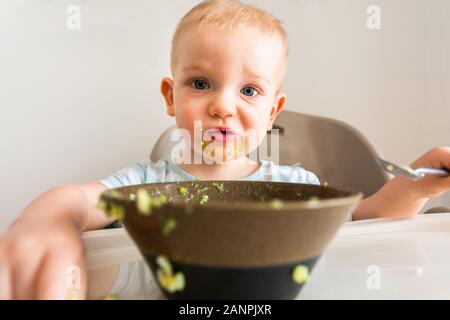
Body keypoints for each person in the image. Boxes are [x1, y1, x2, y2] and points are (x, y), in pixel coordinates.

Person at [0, 0, 448, 300]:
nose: (222, 105)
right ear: (171, 96)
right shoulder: (145, 184)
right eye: (200, 84)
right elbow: (80, 201)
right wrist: (47, 221)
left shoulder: (293, 186)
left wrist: (417, 186)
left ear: (274, 111)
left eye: (249, 90)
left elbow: (365, 223)